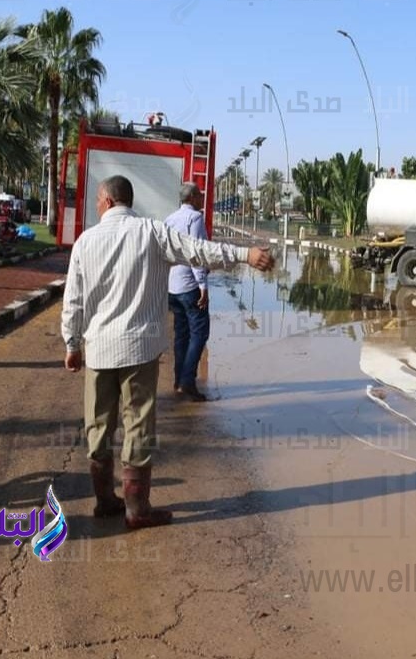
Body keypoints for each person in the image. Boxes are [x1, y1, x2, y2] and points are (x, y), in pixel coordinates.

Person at [61, 175, 276, 529]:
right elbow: (199, 250)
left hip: (98, 352)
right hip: (140, 350)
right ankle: (136, 509)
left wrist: (72, 345)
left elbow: (74, 300)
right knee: (138, 426)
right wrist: (245, 255)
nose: (97, 207)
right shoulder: (151, 232)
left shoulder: (85, 242)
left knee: (98, 426)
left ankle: (104, 501)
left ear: (108, 200)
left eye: (98, 201)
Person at [165, 183, 212, 402]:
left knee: (181, 335)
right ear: (192, 197)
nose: (202, 198)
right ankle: (187, 381)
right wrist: (202, 285)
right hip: (189, 285)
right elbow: (197, 253)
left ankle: (178, 380)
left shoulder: (170, 219)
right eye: (200, 195)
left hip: (172, 287)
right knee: (200, 333)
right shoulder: (195, 219)